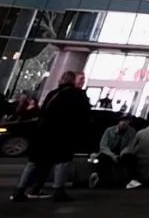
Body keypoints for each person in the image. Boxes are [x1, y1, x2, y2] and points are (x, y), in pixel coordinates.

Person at [10, 70, 91, 202]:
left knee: (34, 162)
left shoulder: (53, 93)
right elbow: (84, 115)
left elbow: (43, 112)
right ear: (73, 80)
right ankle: (58, 191)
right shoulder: (77, 94)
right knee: (62, 161)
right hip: (63, 133)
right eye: (81, 79)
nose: (82, 81)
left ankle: (19, 190)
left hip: (44, 132)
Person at [96, 117, 140, 188]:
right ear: (119, 122)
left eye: (126, 121)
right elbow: (103, 146)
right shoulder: (109, 130)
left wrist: (123, 153)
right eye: (122, 121)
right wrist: (112, 156)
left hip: (123, 153)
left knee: (132, 158)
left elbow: (130, 145)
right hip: (109, 153)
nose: (123, 123)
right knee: (102, 158)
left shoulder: (132, 131)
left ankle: (131, 181)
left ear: (129, 122)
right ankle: (104, 182)